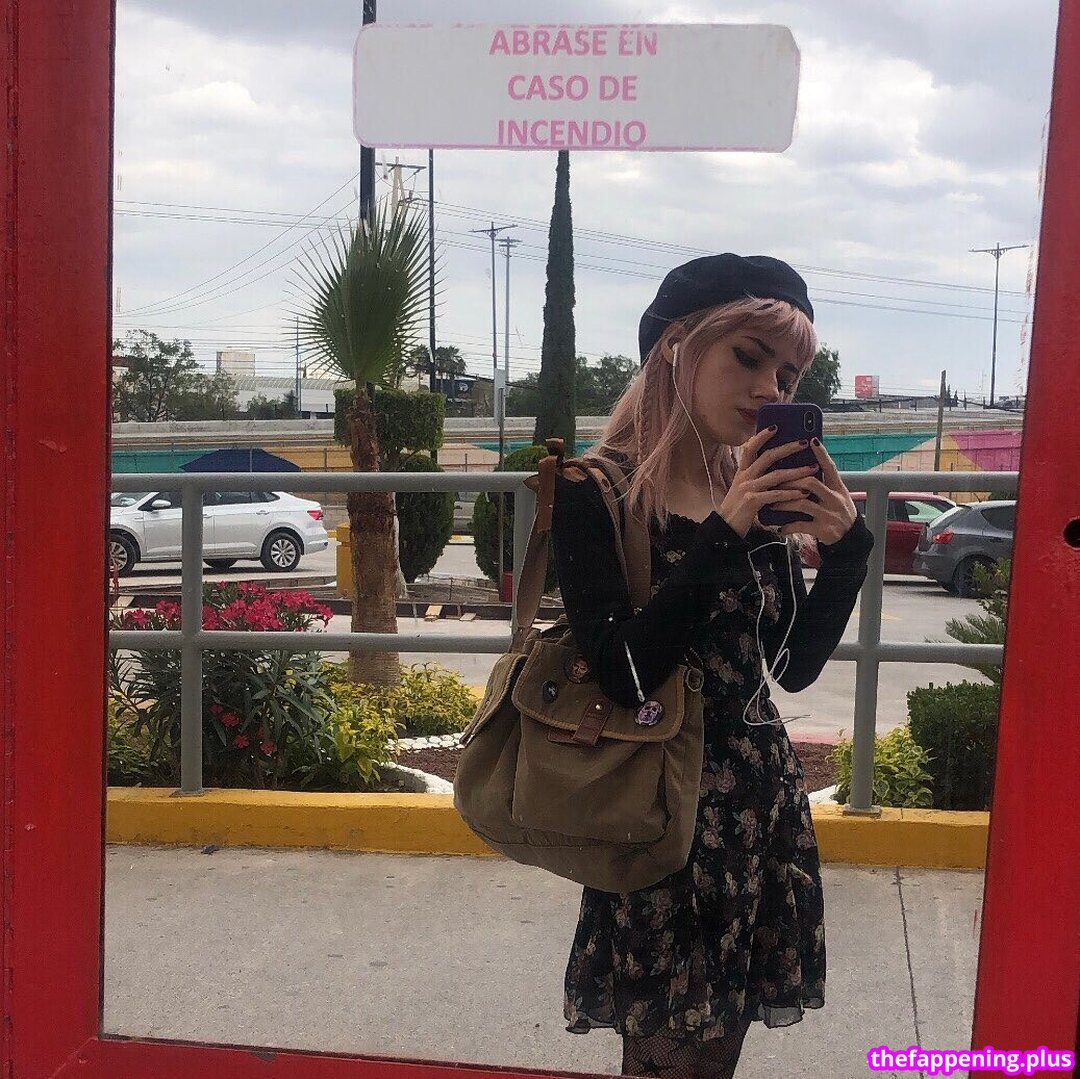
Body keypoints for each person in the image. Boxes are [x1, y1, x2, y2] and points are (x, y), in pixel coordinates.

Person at [551, 254, 875, 1078]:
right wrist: (724, 533)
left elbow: (790, 667)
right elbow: (624, 670)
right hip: (661, 810)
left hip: (756, 812)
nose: (770, 386)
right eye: (749, 356)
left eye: (788, 373)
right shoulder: (598, 490)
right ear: (676, 347)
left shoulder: (756, 496)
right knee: (664, 1058)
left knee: (716, 1055)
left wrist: (847, 555)